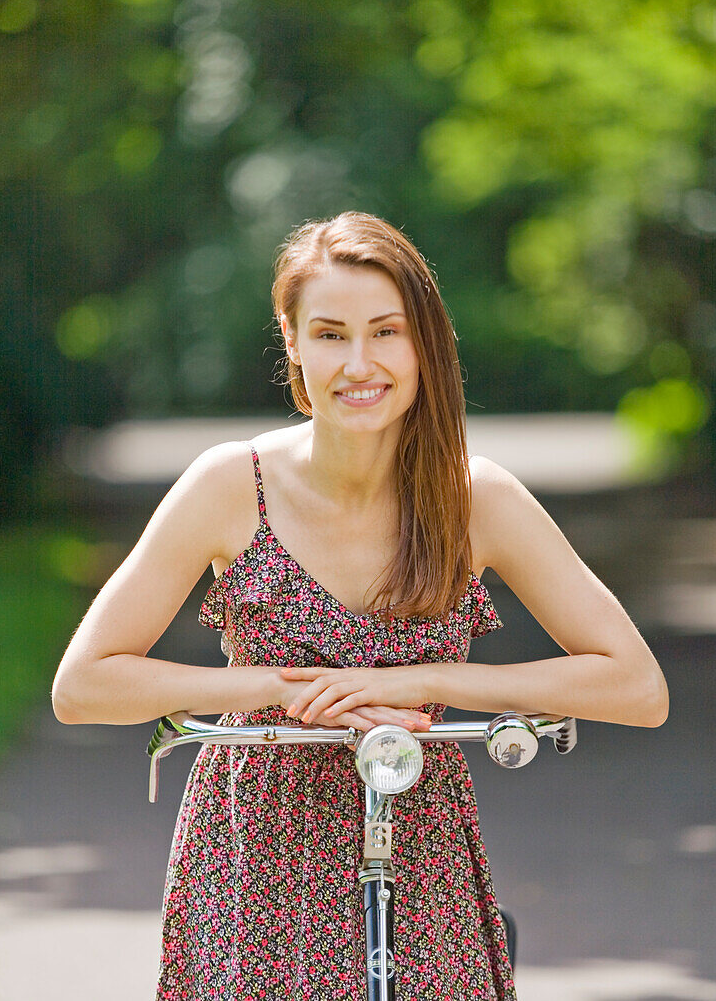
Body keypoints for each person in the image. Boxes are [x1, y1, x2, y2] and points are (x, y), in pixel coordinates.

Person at [52, 210, 669, 1001]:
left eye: (386, 331)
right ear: (293, 345)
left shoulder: (476, 497)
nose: (359, 362)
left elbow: (635, 689)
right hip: (254, 851)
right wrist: (278, 689)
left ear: (424, 345)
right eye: (330, 334)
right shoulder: (228, 485)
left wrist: (418, 682)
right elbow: (83, 686)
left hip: (419, 840)